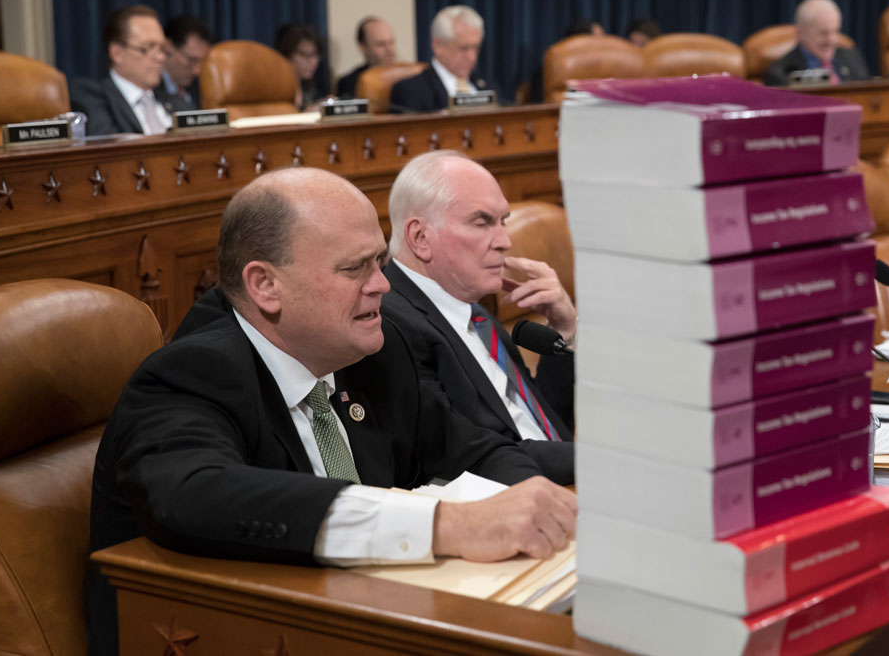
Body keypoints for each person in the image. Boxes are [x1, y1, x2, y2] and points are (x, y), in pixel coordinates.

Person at [86, 166, 576, 655]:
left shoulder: (375, 350)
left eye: (380, 262)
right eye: (354, 268)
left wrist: (537, 505)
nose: (382, 285)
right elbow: (195, 493)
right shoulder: (192, 372)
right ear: (266, 286)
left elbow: (473, 448)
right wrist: (446, 526)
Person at [381, 151, 576, 485]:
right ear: (420, 238)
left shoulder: (472, 308)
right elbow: (473, 458)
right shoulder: (390, 326)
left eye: (503, 221)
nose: (505, 241)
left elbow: (544, 425)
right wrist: (605, 459)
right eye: (482, 222)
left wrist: (565, 329)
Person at [70, 5, 189, 136]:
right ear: (117, 53)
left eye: (161, 49)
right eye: (147, 48)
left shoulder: (176, 102)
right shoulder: (91, 96)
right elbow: (110, 148)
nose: (160, 57)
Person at [390, 5, 489, 112]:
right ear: (438, 45)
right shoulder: (410, 92)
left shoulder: (488, 87)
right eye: (464, 48)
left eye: (476, 48)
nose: (472, 57)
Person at [763, 0, 870, 86]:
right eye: (823, 33)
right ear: (801, 33)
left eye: (836, 31)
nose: (831, 39)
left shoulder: (851, 57)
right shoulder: (779, 73)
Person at [158, 14, 212, 110]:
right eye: (191, 60)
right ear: (168, 47)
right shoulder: (150, 91)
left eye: (202, 62)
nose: (197, 70)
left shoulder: (202, 89)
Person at [336, 16, 397, 99]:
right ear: (363, 47)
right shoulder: (349, 83)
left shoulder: (410, 77)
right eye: (381, 44)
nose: (389, 49)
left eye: (391, 42)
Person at [275, 22, 326, 110]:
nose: (312, 62)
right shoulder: (275, 90)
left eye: (315, 55)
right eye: (304, 55)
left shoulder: (311, 90)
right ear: (287, 55)